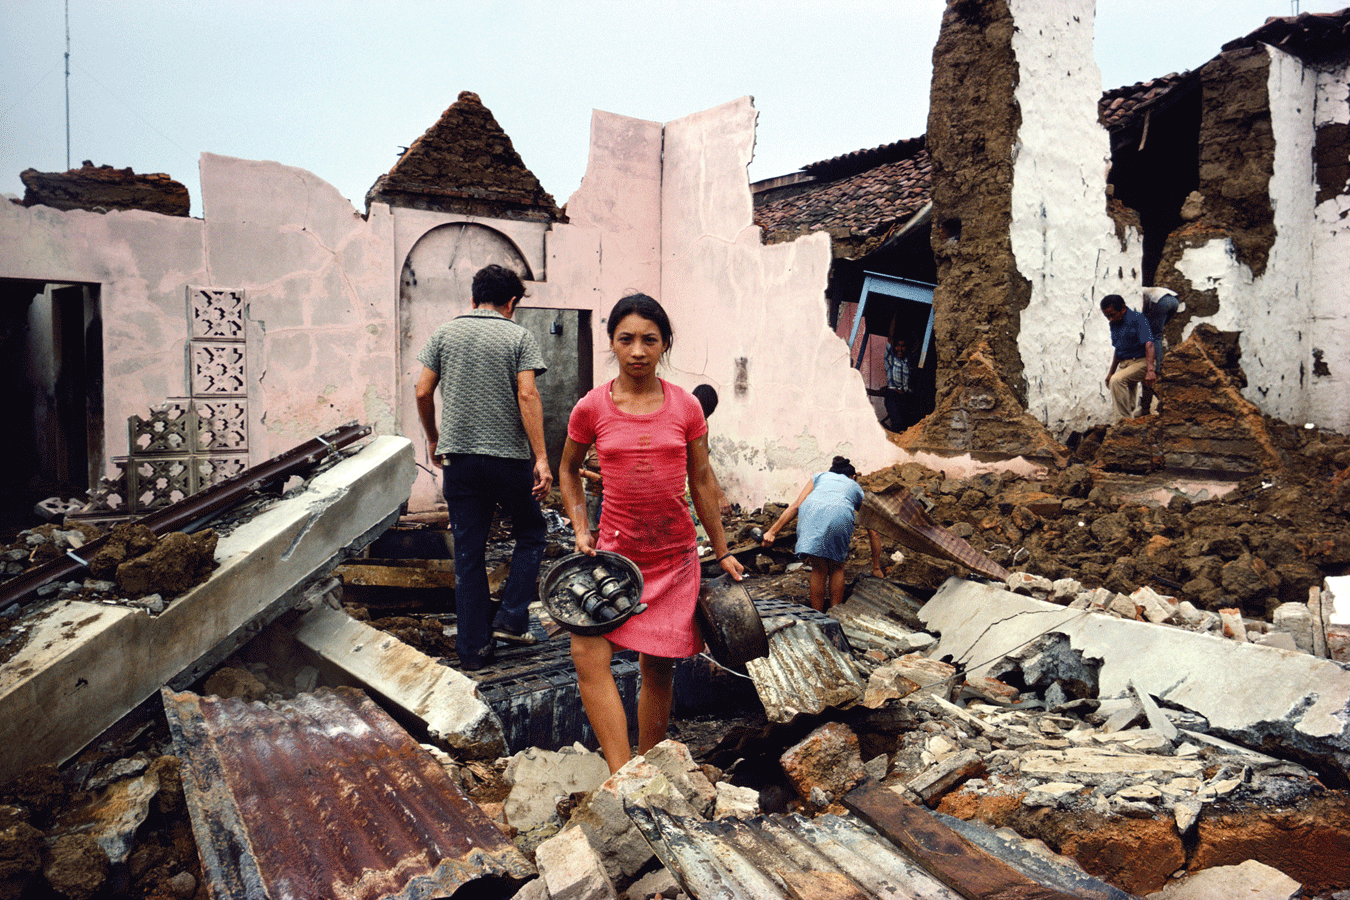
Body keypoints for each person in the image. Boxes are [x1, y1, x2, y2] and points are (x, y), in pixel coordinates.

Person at [559, 293, 744, 774]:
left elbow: (702, 481)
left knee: (657, 665)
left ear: (664, 345)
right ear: (612, 344)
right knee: (586, 651)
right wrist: (582, 529)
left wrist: (721, 552)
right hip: (615, 558)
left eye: (649, 339)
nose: (638, 350)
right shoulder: (590, 407)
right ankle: (623, 775)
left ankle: (649, 763)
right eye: (627, 339)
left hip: (673, 556)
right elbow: (569, 470)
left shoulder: (685, 408)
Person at [414, 264, 551, 672]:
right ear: (512, 303)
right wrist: (541, 457)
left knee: (469, 556)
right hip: (508, 460)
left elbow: (422, 389)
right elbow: (527, 394)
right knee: (531, 533)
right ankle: (511, 617)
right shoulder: (518, 336)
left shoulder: (444, 333)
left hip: (461, 462)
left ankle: (473, 650)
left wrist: (434, 436)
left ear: (473, 298)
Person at [761, 456, 865, 612]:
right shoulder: (854, 486)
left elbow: (796, 505)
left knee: (819, 568)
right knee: (837, 567)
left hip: (810, 514)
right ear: (853, 477)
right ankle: (835, 614)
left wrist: (772, 531)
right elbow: (871, 524)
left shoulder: (820, 476)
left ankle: (817, 614)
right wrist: (876, 566)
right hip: (839, 515)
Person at [1101, 293, 1155, 421]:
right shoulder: (1114, 324)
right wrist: (1110, 372)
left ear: (1123, 308)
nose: (1110, 319)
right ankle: (1131, 421)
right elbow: (1118, 349)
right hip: (1125, 364)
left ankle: (1123, 423)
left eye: (1112, 314)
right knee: (1127, 401)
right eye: (1107, 316)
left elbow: (1149, 344)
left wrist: (1150, 370)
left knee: (1117, 381)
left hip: (1141, 362)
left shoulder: (1138, 319)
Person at [1140, 286, 1181, 415]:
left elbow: (1143, 310)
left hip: (1162, 301)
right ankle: (1160, 360)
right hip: (1174, 301)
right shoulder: (1148, 289)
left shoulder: (1140, 291)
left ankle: (1157, 364)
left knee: (1154, 335)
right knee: (1158, 332)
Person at [883, 320, 922, 432]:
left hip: (905, 398)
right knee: (897, 424)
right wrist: (895, 316)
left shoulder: (907, 361)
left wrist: (911, 331)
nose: (900, 349)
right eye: (898, 346)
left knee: (907, 426)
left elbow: (918, 344)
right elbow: (890, 337)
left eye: (903, 346)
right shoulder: (890, 359)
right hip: (893, 396)